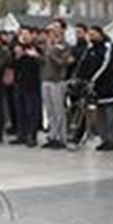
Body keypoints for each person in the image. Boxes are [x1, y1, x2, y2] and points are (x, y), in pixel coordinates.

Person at [75, 25, 113, 151]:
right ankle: (104, 139)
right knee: (100, 114)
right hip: (96, 89)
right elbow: (83, 63)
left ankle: (112, 140)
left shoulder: (108, 47)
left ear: (100, 33)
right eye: (89, 35)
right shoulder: (90, 48)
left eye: (94, 34)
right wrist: (80, 78)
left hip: (109, 86)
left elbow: (105, 64)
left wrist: (93, 79)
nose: (91, 37)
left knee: (110, 115)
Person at [40, 21, 73, 149]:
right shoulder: (47, 44)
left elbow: (63, 62)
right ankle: (52, 135)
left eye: (57, 28)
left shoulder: (65, 45)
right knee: (50, 110)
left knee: (59, 110)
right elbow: (42, 60)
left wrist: (52, 53)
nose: (54, 31)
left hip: (57, 80)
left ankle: (61, 137)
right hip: (45, 79)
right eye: (52, 28)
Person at [13, 27, 43, 147]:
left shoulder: (37, 48)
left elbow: (42, 63)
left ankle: (32, 136)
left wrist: (35, 56)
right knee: (20, 111)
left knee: (32, 111)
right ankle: (21, 134)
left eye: (26, 34)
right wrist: (17, 56)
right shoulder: (17, 48)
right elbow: (13, 65)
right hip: (19, 83)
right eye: (22, 34)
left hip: (32, 84)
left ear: (32, 35)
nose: (24, 36)